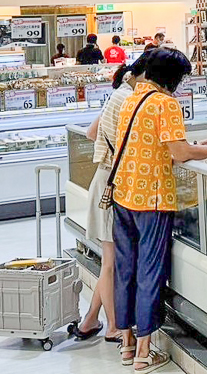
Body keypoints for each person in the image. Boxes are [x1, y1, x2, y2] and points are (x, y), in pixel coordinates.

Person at [112, 48, 207, 372]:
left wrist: (203, 146)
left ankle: (126, 344)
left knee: (126, 269)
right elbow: (179, 153)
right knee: (150, 271)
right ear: (173, 77)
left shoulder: (131, 100)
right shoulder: (165, 104)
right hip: (151, 200)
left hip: (123, 195)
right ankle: (144, 352)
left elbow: (155, 148)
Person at [75, 53, 150, 343]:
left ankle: (90, 320)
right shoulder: (128, 99)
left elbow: (92, 133)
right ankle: (113, 327)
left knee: (111, 259)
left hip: (104, 179)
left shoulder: (118, 95)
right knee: (110, 263)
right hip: (112, 185)